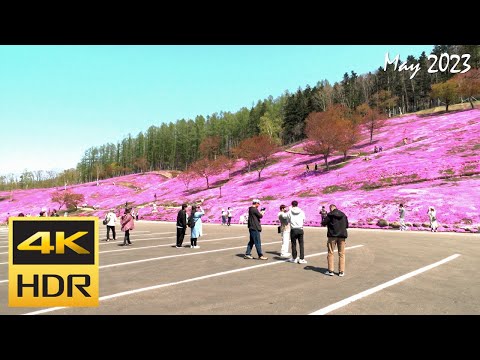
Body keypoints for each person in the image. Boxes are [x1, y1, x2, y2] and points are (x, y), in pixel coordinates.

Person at [322, 204, 349, 277]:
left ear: (330, 208)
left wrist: (324, 218)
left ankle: (331, 270)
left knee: (331, 252)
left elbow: (323, 223)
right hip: (342, 236)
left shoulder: (330, 215)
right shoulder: (343, 215)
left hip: (332, 236)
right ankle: (341, 271)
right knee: (342, 254)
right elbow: (347, 225)